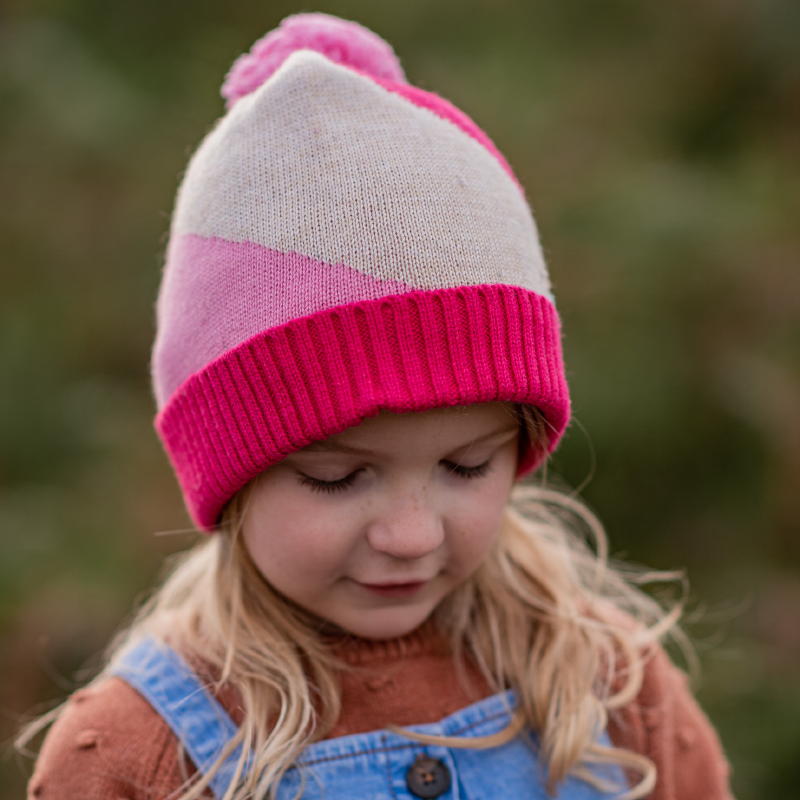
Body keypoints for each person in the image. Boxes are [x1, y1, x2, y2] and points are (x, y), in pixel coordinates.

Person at [21, 13, 734, 800]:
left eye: (467, 465)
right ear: (230, 474)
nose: (411, 534)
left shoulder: (608, 689)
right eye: (335, 477)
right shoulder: (137, 755)